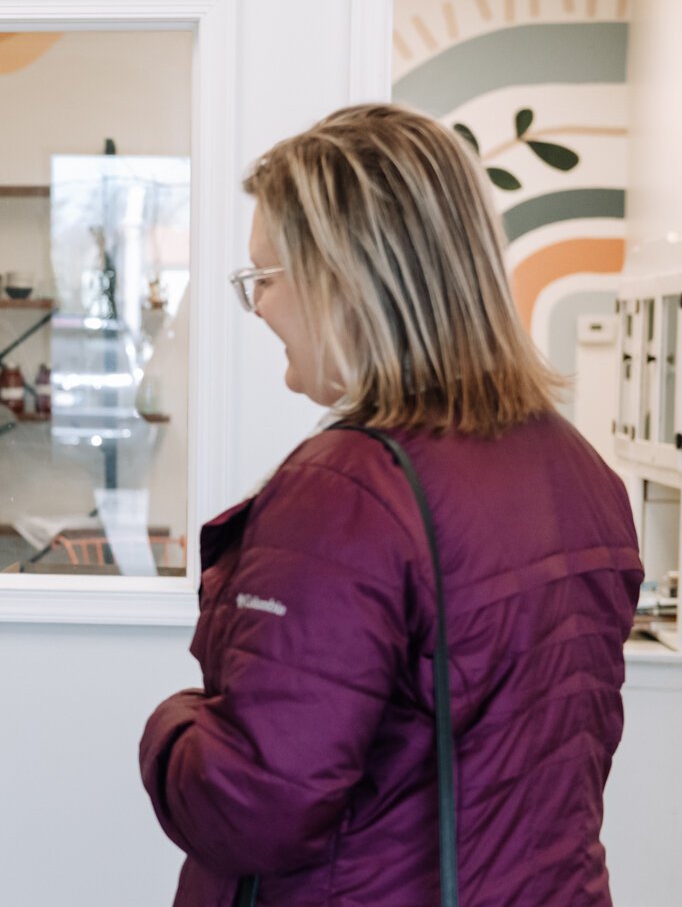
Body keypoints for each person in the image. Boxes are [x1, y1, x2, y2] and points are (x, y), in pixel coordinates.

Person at [139, 104, 641, 906]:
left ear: (347, 276)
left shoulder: (347, 492)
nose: (259, 306)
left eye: (267, 275)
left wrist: (171, 727)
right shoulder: (577, 469)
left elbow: (250, 808)